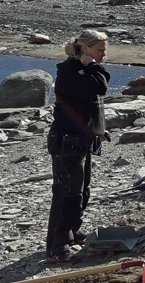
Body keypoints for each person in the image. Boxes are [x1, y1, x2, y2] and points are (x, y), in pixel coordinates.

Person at [45, 30, 109, 265]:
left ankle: (72, 232)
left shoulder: (82, 71)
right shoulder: (70, 73)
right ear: (85, 49)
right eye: (100, 50)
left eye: (104, 50)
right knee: (67, 196)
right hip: (67, 141)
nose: (104, 54)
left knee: (81, 192)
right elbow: (100, 86)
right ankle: (56, 247)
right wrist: (92, 66)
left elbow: (91, 100)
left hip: (81, 140)